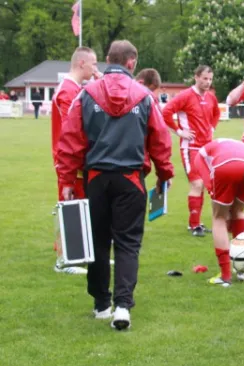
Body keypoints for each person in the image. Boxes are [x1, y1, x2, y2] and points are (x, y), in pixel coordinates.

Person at [57, 40, 174, 329]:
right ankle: (122, 306)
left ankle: (100, 304)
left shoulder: (86, 94)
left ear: (109, 58)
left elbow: (70, 140)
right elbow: (161, 140)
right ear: (132, 62)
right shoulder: (145, 96)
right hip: (131, 179)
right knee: (128, 244)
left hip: (96, 179)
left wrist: (67, 181)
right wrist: (164, 175)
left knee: (97, 242)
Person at [51, 46, 101, 275]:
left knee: (80, 204)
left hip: (76, 159)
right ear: (82, 63)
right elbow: (73, 130)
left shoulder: (74, 89)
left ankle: (79, 255)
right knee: (69, 204)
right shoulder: (68, 91)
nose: (95, 69)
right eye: (93, 64)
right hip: (69, 161)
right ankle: (64, 259)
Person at [162, 65, 221, 237]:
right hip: (191, 147)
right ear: (196, 77)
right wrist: (179, 131)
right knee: (196, 184)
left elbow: (216, 114)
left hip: (208, 148)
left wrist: (212, 127)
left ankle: (197, 223)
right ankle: (194, 225)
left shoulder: (211, 97)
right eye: (204, 78)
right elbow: (166, 112)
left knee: (204, 185)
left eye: (210, 79)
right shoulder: (185, 96)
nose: (208, 82)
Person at [193, 138, 244, 287]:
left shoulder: (203, 151)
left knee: (219, 218)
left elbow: (199, 163)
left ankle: (225, 276)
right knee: (238, 212)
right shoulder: (240, 144)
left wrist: (210, 187)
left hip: (225, 166)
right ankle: (243, 271)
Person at [135, 68, 163, 178]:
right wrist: (163, 173)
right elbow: (159, 135)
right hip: (136, 163)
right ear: (141, 83)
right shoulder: (148, 98)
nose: (151, 93)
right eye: (151, 89)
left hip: (100, 166)